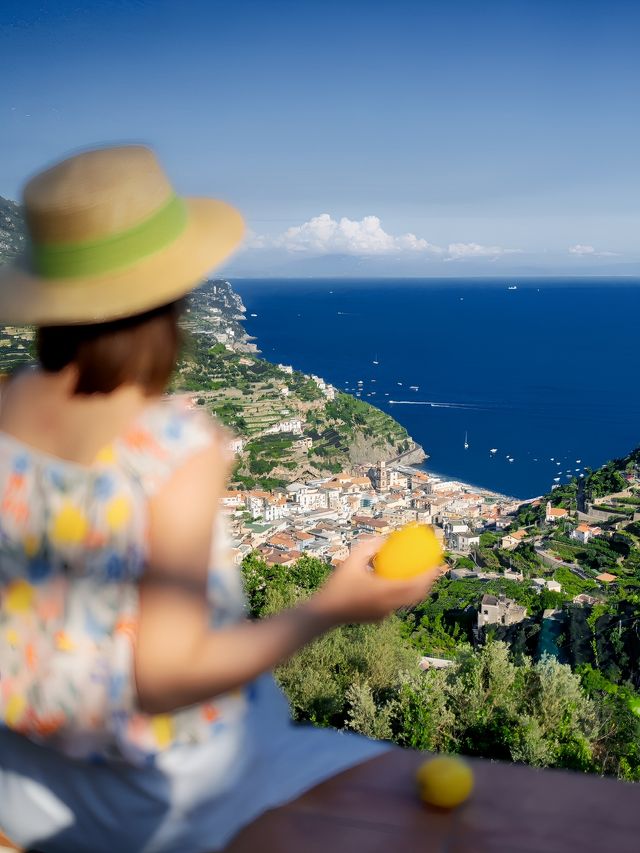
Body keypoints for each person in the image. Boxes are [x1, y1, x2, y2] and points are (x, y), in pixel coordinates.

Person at [0, 145, 442, 853]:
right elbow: (165, 679)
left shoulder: (6, 402)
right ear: (170, 296)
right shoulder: (174, 445)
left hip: (19, 776)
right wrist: (333, 607)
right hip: (155, 798)